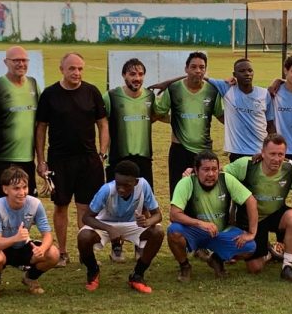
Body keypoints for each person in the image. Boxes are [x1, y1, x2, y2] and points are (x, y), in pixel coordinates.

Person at [36, 52, 109, 267]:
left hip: (88, 160)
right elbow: (41, 128)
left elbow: (103, 123)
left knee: (85, 208)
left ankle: (84, 253)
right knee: (61, 206)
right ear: (62, 69)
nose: (76, 73)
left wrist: (102, 153)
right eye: (72, 69)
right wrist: (41, 160)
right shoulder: (50, 95)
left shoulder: (92, 92)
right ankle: (63, 252)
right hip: (59, 160)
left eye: (80, 69)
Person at [223, 134, 292, 283]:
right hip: (251, 218)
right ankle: (270, 252)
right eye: (272, 154)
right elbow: (221, 175)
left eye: (281, 154)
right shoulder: (246, 165)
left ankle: (287, 267)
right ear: (262, 152)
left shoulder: (289, 170)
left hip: (275, 213)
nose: (276, 159)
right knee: (255, 268)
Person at [168, 151, 258, 281]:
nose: (211, 174)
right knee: (173, 231)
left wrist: (252, 232)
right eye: (205, 170)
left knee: (250, 246)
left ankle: (216, 259)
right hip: (195, 232)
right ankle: (185, 266)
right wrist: (200, 223)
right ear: (196, 170)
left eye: (214, 169)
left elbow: (251, 200)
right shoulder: (187, 182)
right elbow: (174, 214)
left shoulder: (226, 179)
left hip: (220, 233)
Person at [77, 161, 164, 293]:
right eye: (118, 184)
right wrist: (109, 229)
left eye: (126, 185)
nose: (121, 189)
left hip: (132, 225)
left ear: (135, 182)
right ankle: (93, 271)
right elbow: (87, 218)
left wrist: (147, 222)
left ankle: (137, 275)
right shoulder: (106, 190)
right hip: (105, 224)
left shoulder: (143, 185)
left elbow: (158, 215)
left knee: (158, 232)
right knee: (83, 237)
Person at [0, 166, 60, 300]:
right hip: (2, 248)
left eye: (25, 187)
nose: (22, 192)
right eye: (16, 188)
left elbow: (47, 234)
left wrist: (42, 249)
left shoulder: (35, 204)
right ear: (5, 189)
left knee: (53, 254)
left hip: (23, 246)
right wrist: (15, 237)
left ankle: (30, 278)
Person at [153, 51, 223, 196]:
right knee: (178, 192)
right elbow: (159, 113)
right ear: (186, 69)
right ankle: (178, 219)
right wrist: (175, 119)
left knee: (202, 193)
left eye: (202, 67)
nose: (198, 70)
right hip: (179, 150)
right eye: (193, 67)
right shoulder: (174, 89)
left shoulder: (212, 91)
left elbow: (221, 116)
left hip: (204, 150)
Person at [0, 46, 40, 202]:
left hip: (27, 158)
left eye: (24, 60)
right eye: (16, 60)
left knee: (26, 203)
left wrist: (40, 157)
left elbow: (39, 123)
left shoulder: (33, 84)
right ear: (6, 62)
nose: (21, 64)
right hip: (1, 158)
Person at [206, 58, 275, 161]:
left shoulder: (264, 94)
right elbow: (201, 77)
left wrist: (271, 149)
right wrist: (226, 79)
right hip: (237, 152)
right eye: (242, 71)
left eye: (250, 70)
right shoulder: (227, 89)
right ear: (234, 74)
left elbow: (270, 125)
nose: (247, 74)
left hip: (259, 151)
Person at [104, 58, 157, 187]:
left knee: (145, 202)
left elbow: (157, 115)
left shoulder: (150, 96)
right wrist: (102, 154)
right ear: (124, 75)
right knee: (116, 201)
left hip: (144, 159)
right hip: (118, 158)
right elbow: (101, 124)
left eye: (140, 74)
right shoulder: (111, 96)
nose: (137, 78)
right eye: (132, 74)